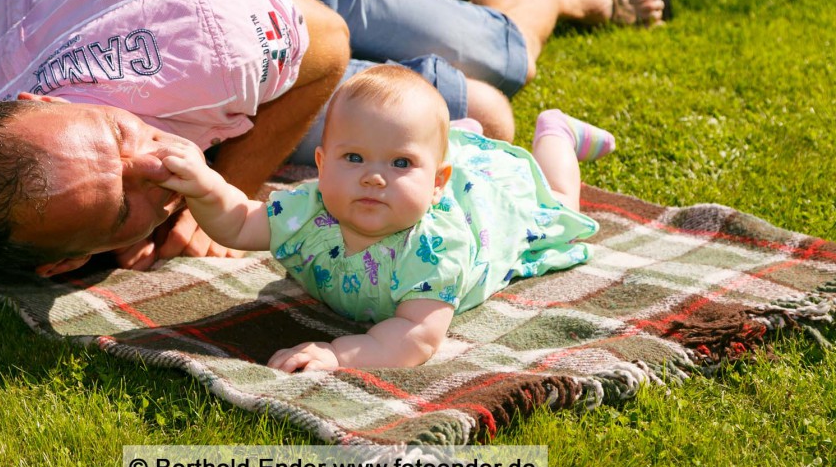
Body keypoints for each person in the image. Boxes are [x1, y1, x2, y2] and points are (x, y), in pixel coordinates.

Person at [0, 0, 669, 275]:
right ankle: (431, 16)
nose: (156, 162)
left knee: (498, 69)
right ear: (64, 263)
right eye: (122, 203)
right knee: (468, 118)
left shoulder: (199, 46)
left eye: (117, 133)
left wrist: (220, 199)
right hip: (197, 13)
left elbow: (323, 42)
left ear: (39, 101)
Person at [153, 64, 616, 371]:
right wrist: (203, 185)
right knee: (409, 140)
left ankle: (557, 132)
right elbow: (237, 222)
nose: (373, 178)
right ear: (320, 165)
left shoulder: (436, 249)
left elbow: (415, 336)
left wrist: (338, 354)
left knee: (559, 205)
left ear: (437, 183)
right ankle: (440, 142)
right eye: (353, 157)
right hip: (437, 171)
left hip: (487, 204)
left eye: (398, 164)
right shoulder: (309, 208)